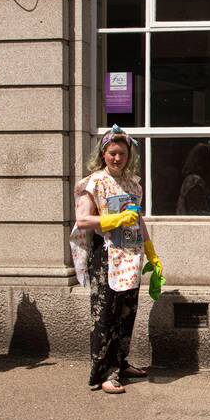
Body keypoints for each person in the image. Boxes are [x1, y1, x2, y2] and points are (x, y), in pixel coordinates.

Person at [70, 125, 162, 394]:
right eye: (112, 153)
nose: (117, 158)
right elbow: (83, 220)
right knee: (105, 315)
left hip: (131, 257)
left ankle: (120, 363)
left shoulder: (133, 183)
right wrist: (115, 219)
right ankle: (103, 372)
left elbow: (139, 220)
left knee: (127, 313)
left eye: (122, 153)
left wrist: (152, 253)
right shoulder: (94, 181)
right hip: (106, 255)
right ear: (103, 153)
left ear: (129, 154)